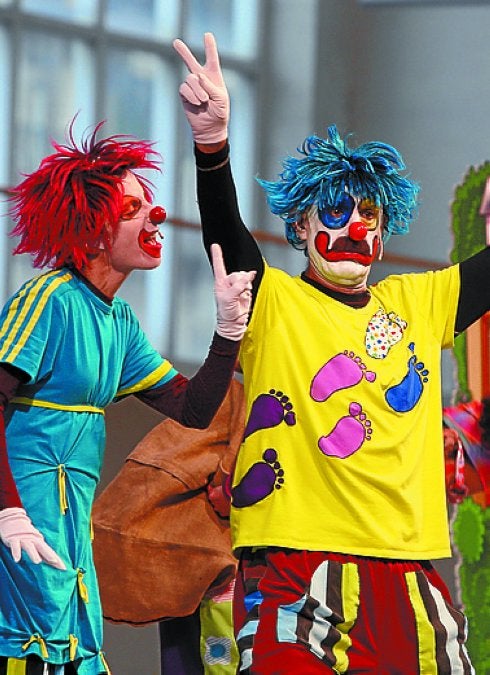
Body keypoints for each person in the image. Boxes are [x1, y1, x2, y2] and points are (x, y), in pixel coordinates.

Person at [172, 32, 490, 673]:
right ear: (300, 226)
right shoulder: (275, 301)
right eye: (337, 211)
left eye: (370, 215)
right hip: (297, 564)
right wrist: (212, 146)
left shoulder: (420, 302)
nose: (356, 227)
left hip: (407, 573)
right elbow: (227, 235)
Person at [0, 120, 255, 675]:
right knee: (27, 646)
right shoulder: (49, 299)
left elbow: (192, 410)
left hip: (71, 521)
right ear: (93, 230)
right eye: (133, 208)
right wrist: (9, 511)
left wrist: (227, 332)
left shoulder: (119, 322)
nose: (156, 216)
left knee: (72, 648)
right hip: (27, 512)